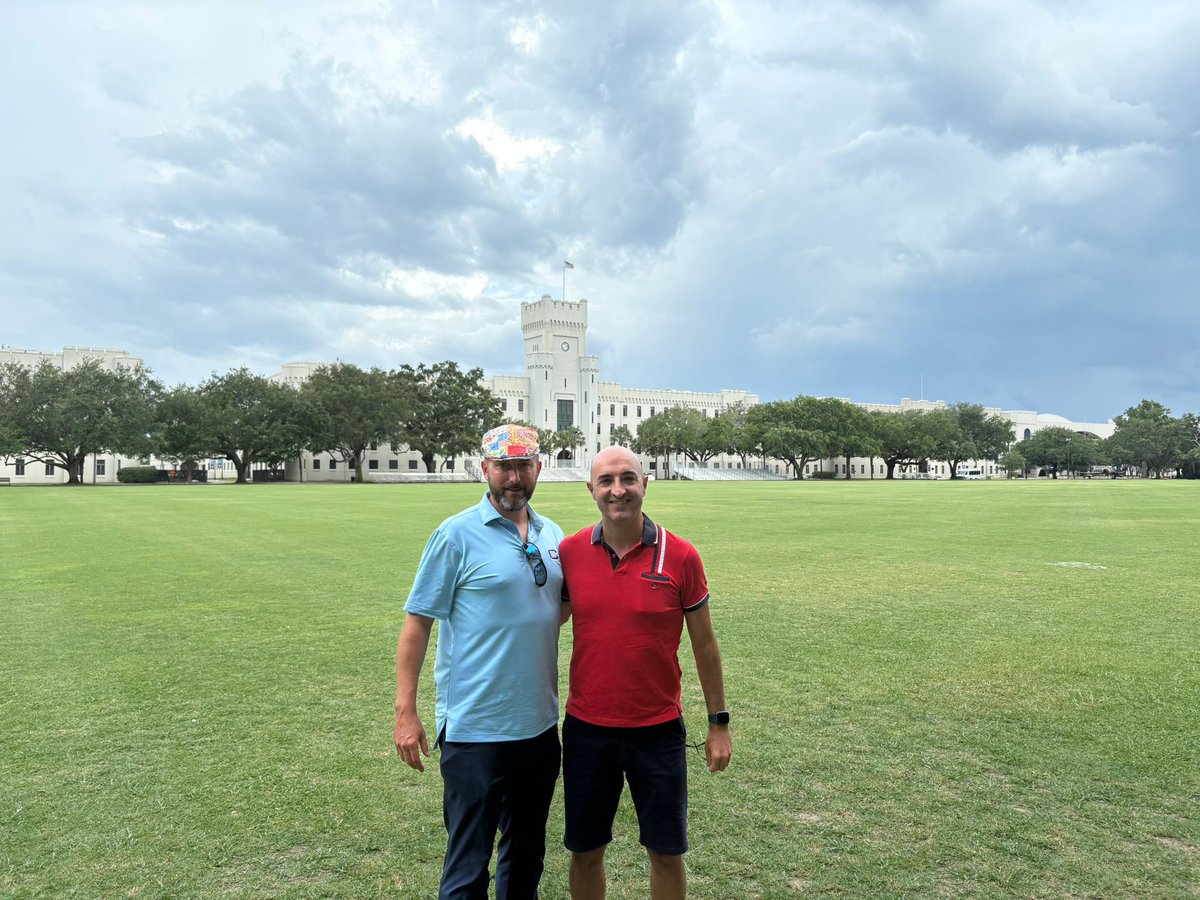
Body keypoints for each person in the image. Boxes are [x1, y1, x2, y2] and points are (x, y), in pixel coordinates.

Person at [394, 423, 565, 900]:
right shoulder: (455, 535)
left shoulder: (552, 534)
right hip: (474, 731)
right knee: (468, 866)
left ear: (538, 468)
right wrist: (405, 713)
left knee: (526, 859)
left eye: (524, 466)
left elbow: (555, 607)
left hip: (538, 726)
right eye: (504, 467)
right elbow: (417, 625)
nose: (515, 478)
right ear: (484, 468)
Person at [559, 446, 732, 900]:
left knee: (666, 851)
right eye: (607, 481)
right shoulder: (570, 553)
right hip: (587, 729)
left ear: (645, 484)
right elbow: (541, 622)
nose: (618, 490)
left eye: (628, 479)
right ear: (591, 490)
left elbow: (705, 645)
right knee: (585, 850)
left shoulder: (681, 555)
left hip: (657, 732)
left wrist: (719, 725)